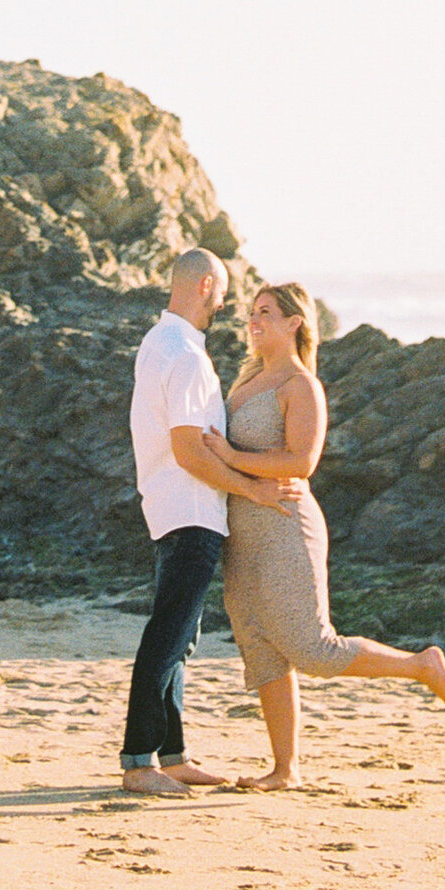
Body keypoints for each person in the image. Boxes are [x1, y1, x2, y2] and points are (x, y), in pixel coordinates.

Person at [218, 278, 445, 786]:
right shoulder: (244, 384)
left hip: (285, 525)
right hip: (242, 528)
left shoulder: (301, 385)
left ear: (294, 323)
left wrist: (230, 457)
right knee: (261, 648)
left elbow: (302, 463)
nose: (254, 321)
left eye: (265, 312)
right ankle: (285, 769)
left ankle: (420, 665)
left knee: (314, 649)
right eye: (251, 313)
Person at [119, 245, 278, 793]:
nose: (226, 307)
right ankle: (140, 761)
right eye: (226, 294)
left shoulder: (157, 343)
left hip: (171, 506)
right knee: (169, 633)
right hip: (189, 509)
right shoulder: (184, 354)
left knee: (180, 635)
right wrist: (251, 489)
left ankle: (172, 753)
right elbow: (189, 451)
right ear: (207, 286)